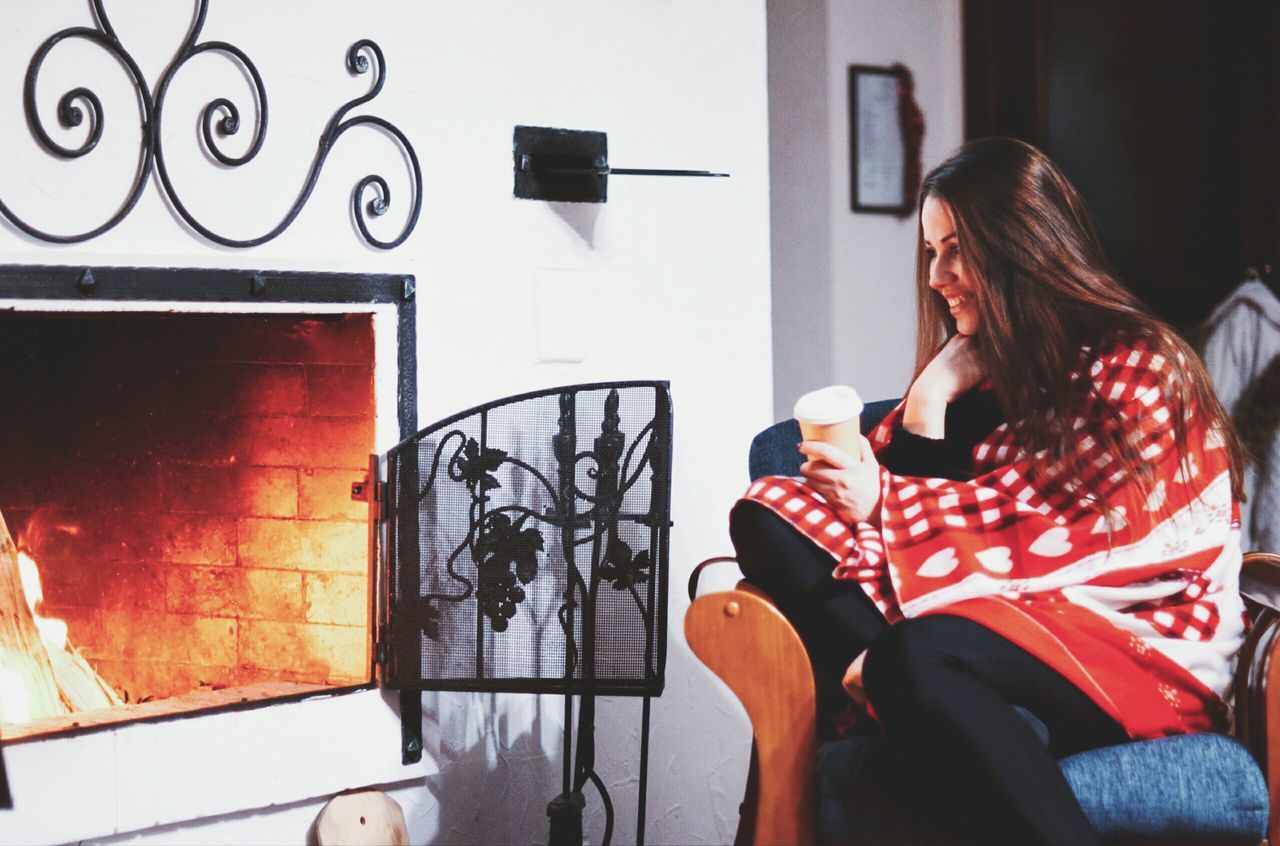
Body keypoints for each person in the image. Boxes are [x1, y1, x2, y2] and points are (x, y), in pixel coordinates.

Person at [730, 136, 1248, 846]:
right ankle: (938, 701)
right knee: (767, 514)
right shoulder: (990, 378)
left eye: (955, 249)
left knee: (913, 657)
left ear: (1020, 246)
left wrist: (885, 501)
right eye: (930, 251)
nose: (938, 274)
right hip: (1000, 637)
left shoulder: (1143, 363)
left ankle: (911, 689)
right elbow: (926, 549)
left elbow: (1092, 538)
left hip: (1133, 646)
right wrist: (930, 399)